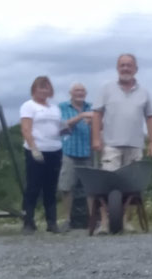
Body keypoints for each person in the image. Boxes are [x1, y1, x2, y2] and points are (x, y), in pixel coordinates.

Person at [91, 53, 152, 233]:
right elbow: (97, 114)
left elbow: (150, 117)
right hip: (111, 144)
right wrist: (96, 138)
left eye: (129, 65)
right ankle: (104, 223)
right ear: (117, 68)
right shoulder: (106, 88)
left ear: (135, 69)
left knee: (131, 186)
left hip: (135, 145)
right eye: (122, 65)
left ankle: (126, 221)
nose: (125, 68)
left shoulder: (144, 92)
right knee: (106, 185)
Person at [20, 76, 65, 234]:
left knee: (50, 188)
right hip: (36, 149)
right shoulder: (29, 106)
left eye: (46, 87)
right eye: (41, 87)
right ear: (34, 89)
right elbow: (26, 128)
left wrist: (65, 129)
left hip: (54, 149)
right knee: (33, 186)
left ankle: (51, 222)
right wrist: (33, 148)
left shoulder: (54, 108)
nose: (44, 90)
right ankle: (28, 221)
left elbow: (58, 128)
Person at [57, 83, 94, 231]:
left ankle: (93, 219)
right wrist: (81, 116)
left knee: (91, 187)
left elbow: (102, 125)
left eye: (83, 90)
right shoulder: (62, 107)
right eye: (77, 90)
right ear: (70, 93)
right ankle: (67, 220)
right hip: (69, 150)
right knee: (67, 186)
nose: (80, 93)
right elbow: (63, 126)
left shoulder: (91, 107)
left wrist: (95, 121)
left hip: (88, 151)